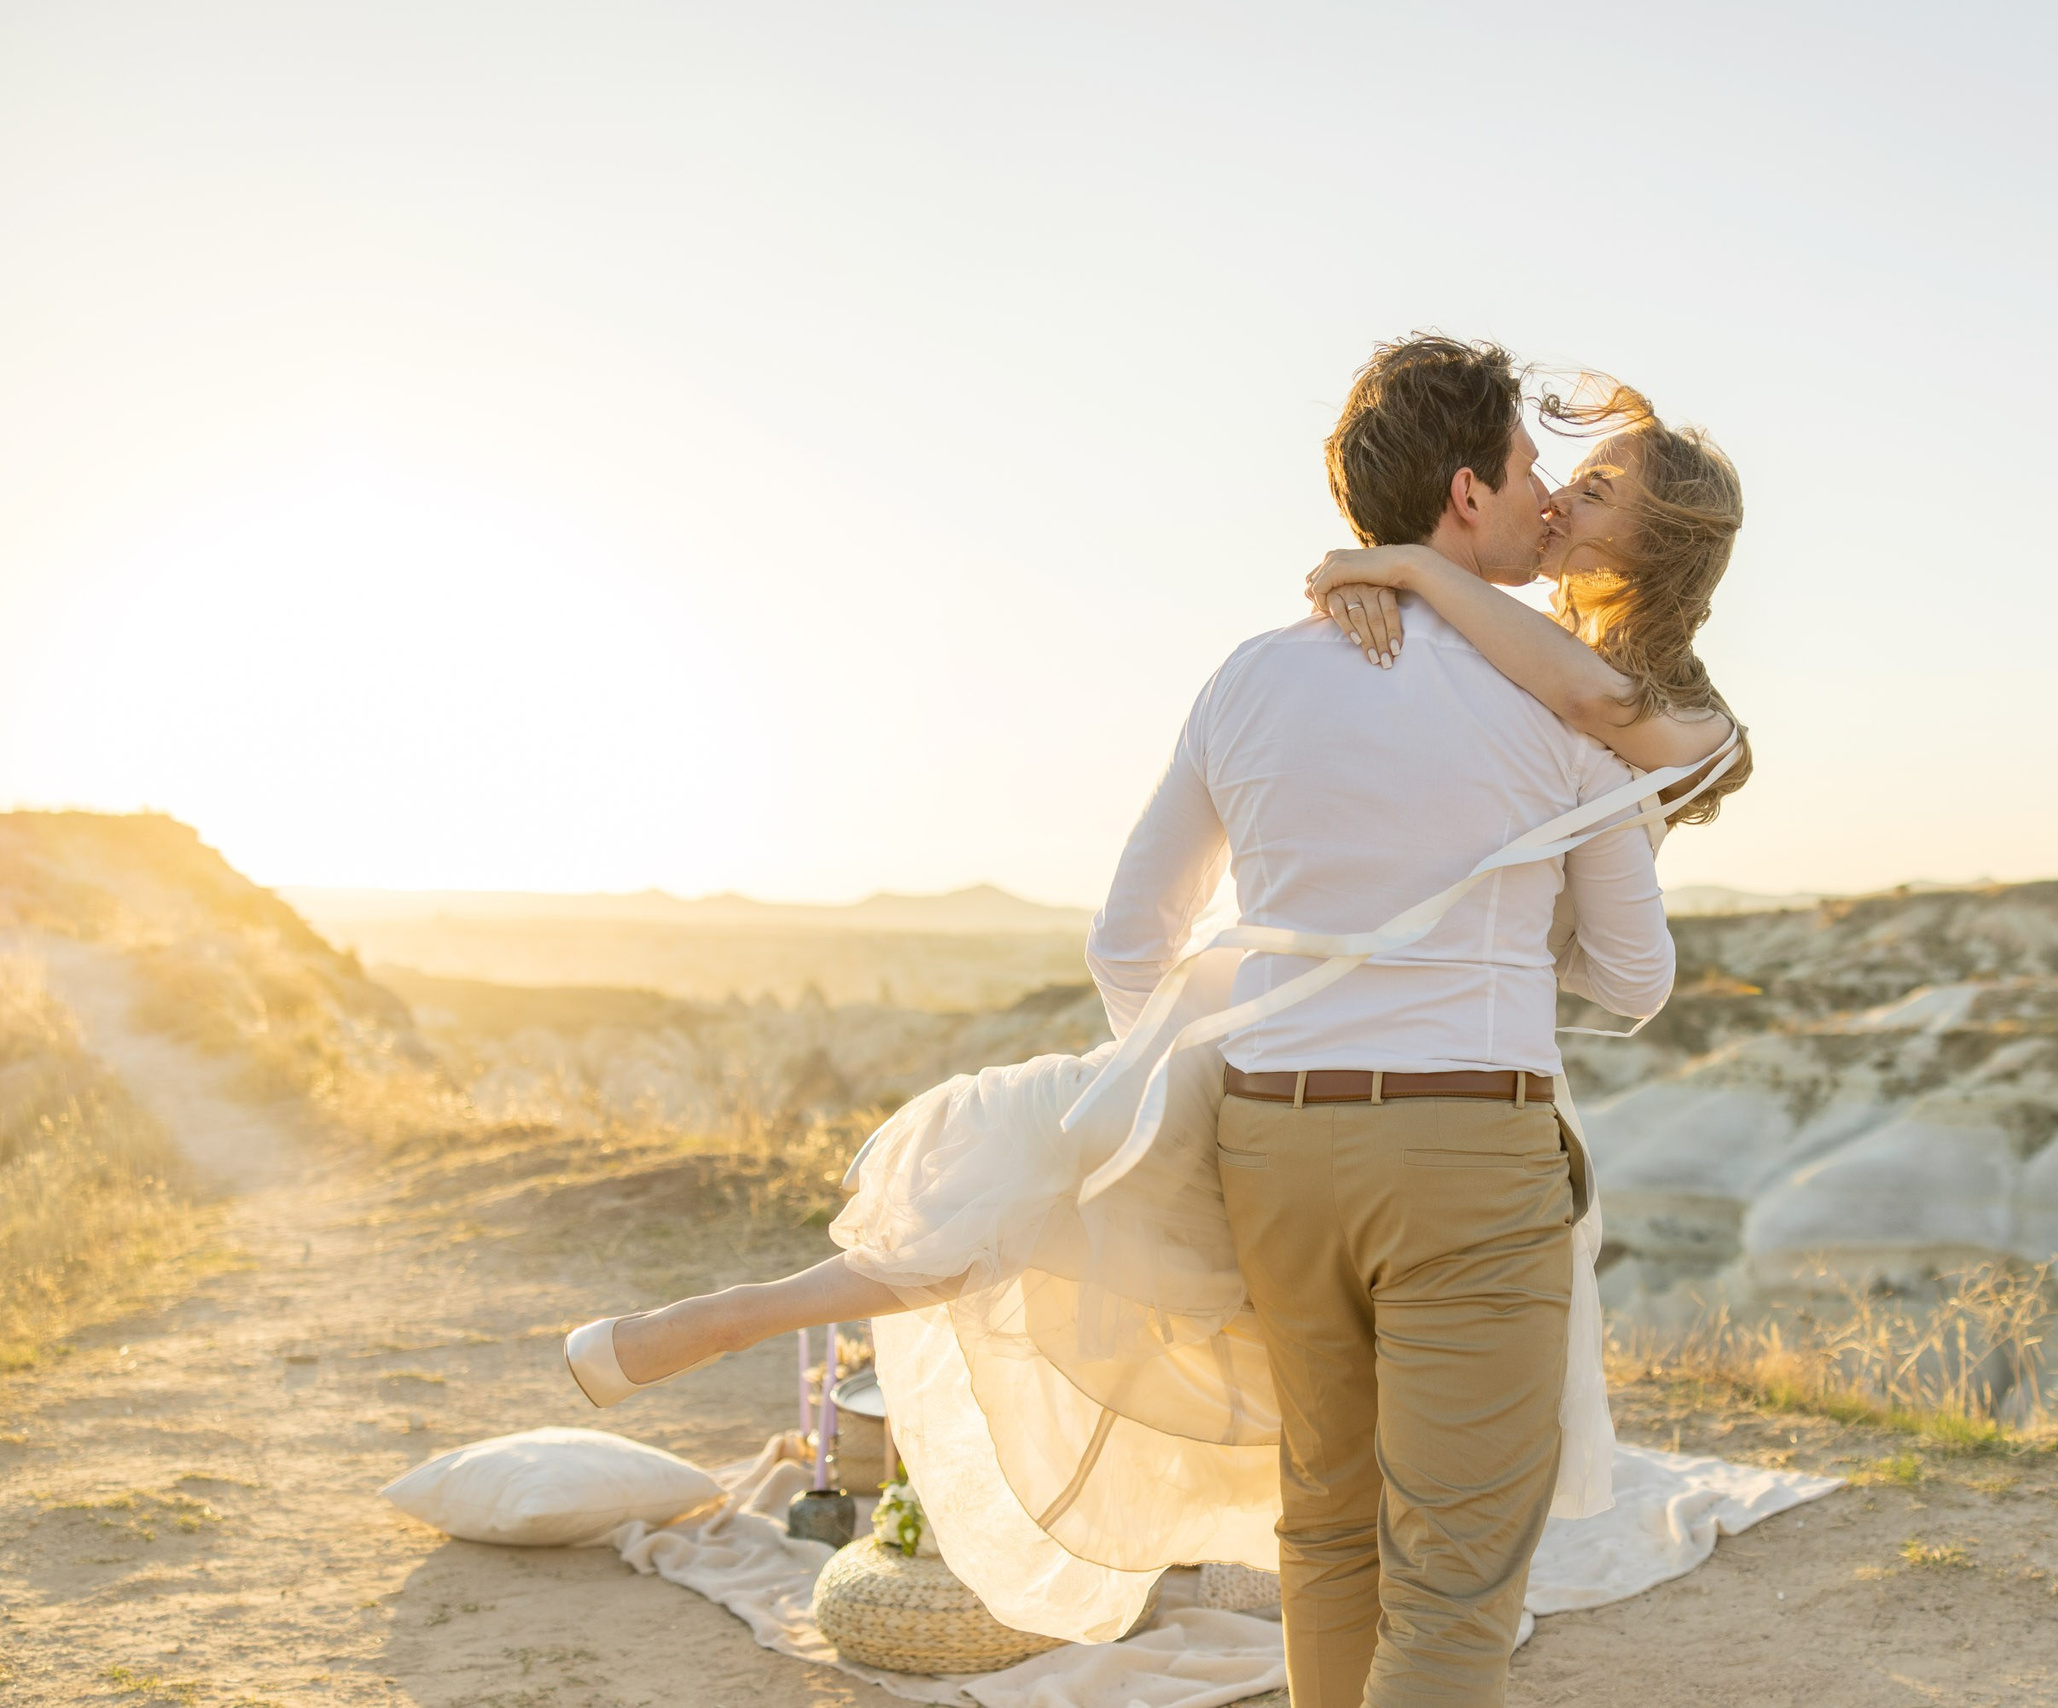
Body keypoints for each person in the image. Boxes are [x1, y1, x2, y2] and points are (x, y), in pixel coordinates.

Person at [562, 336, 1752, 1703]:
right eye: (1538, 471)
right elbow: (1632, 975)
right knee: (1457, 1567)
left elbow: (1130, 940)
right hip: (1468, 1153)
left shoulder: (1250, 678)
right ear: (1470, 492)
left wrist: (1236, 1065)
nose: (1552, 499)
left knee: (1326, 1522)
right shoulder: (1570, 721)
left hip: (1275, 1147)